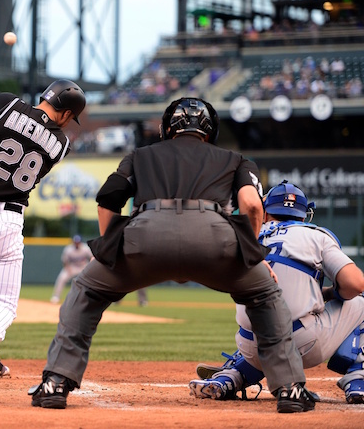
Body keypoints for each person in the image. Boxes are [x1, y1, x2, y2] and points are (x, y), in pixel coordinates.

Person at [28, 97, 313, 413]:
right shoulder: (236, 159)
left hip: (146, 236)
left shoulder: (140, 155)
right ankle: (290, 389)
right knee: (265, 296)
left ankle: (56, 382)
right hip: (215, 239)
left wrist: (108, 251)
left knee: (86, 289)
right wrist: (253, 255)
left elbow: (108, 199)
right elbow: (252, 205)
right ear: (210, 131)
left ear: (167, 128)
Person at [0, 79, 86, 384]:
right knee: (4, 305)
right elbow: (41, 129)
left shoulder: (9, 104)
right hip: (5, 220)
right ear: (66, 114)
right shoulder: (61, 145)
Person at [189, 180, 364, 404]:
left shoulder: (248, 236)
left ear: (265, 212)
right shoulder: (317, 235)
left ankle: (230, 376)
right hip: (303, 345)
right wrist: (331, 294)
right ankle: (359, 380)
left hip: (250, 345)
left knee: (264, 319)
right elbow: (355, 283)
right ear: (304, 215)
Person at [50, 235, 93, 304]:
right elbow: (65, 261)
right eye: (75, 242)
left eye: (78, 242)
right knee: (62, 278)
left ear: (80, 242)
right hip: (71, 267)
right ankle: (56, 296)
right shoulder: (68, 249)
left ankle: (91, 299)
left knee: (91, 280)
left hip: (83, 266)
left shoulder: (85, 248)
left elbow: (91, 257)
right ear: (73, 242)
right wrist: (68, 269)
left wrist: (89, 268)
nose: (76, 243)